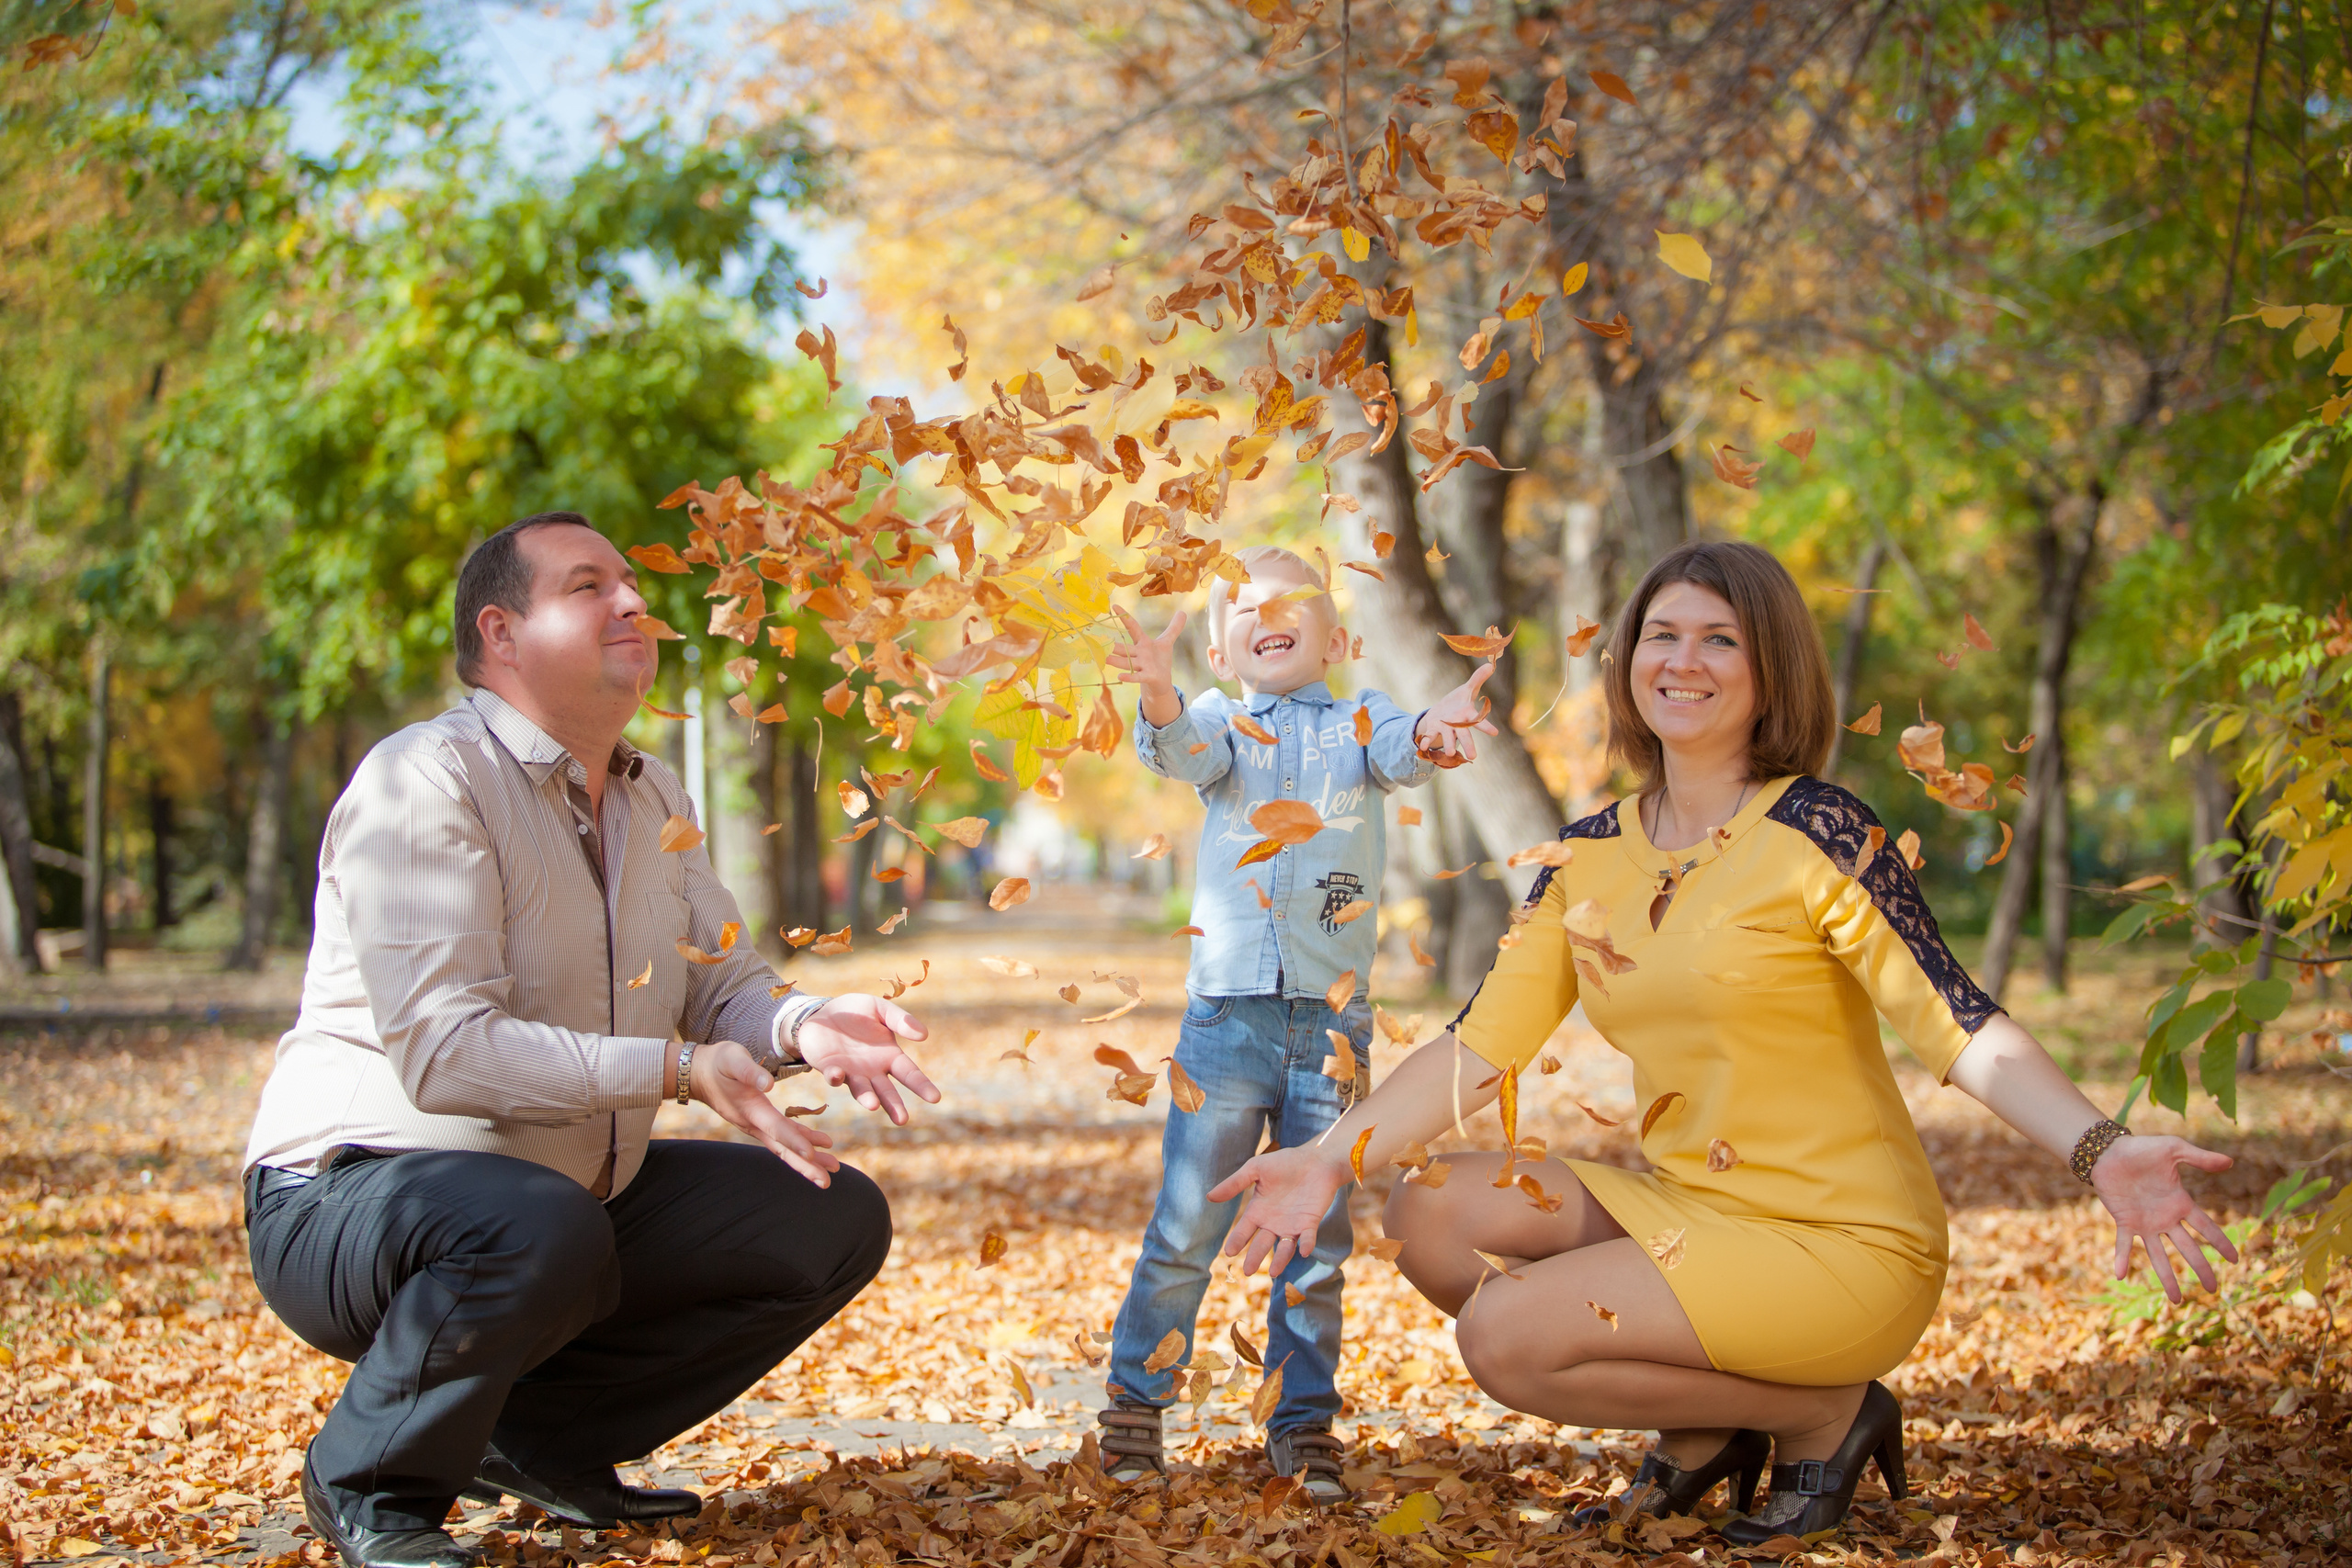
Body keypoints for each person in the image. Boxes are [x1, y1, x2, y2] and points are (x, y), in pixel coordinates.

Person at [1203, 540, 2237, 1540]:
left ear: (1768, 670)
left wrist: (2101, 1149)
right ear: (1628, 661)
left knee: (1503, 1338)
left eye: (1718, 641)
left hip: (1838, 1241)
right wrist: (1328, 1159)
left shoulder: (1819, 832)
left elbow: (1959, 1025)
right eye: (1661, 635)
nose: (1681, 663)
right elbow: (1480, 1046)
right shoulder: (1588, 855)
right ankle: (1708, 1421)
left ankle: (1821, 1414)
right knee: (1426, 1208)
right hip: (1692, 1210)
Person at [241, 513, 940, 1568]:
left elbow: (720, 981)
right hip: (348, 1196)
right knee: (540, 1227)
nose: (630, 601)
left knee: (830, 1216)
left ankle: (539, 1440)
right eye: (587, 586)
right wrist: (676, 1072)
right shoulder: (423, 780)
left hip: (557, 1196)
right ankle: (372, 1482)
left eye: (630, 583)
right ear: (503, 634)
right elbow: (445, 1051)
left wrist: (807, 1025)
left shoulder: (651, 791)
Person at [1095, 546, 1499, 1502]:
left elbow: (1409, 750)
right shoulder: (1219, 718)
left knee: (1317, 1242)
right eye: (1242, 608)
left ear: (1336, 635)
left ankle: (1302, 1421)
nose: (1264, 616)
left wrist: (1441, 730)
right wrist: (1156, 691)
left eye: (1289, 603)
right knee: (1188, 1221)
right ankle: (1135, 1404)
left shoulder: (1364, 718)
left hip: (1332, 1026)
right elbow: (1180, 752)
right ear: (1225, 646)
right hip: (1225, 1020)